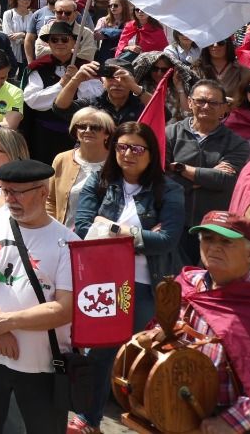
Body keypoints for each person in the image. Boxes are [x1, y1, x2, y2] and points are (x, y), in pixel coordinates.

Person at [71, 121, 185, 430]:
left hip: (147, 286)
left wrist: (111, 230)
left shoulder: (169, 189)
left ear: (151, 152)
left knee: (138, 356)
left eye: (137, 148)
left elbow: (168, 240)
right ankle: (89, 420)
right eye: (122, 147)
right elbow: (82, 227)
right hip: (103, 281)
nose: (128, 154)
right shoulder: (100, 181)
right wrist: (139, 237)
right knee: (100, 353)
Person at [0, 158, 77, 434]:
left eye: (18, 192)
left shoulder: (67, 243)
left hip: (41, 364)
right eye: (5, 191)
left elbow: (64, 309)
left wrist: (7, 322)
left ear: (43, 192)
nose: (10, 199)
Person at [152, 211, 250, 434]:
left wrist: (230, 422)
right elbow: (161, 329)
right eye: (208, 239)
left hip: (227, 422)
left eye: (226, 241)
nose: (215, 247)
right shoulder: (186, 285)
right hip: (173, 409)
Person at [169, 78, 250, 262]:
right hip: (173, 224)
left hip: (213, 230)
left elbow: (224, 180)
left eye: (214, 103)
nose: (206, 106)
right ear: (190, 102)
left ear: (224, 108)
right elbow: (162, 177)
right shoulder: (170, 134)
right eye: (200, 101)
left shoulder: (237, 143)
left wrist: (180, 169)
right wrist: (205, 178)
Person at [49, 105, 114, 226]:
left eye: (95, 127)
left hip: (101, 238)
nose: (88, 130)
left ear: (107, 134)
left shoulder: (116, 162)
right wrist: (51, 229)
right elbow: (50, 200)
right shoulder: (61, 159)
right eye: (82, 126)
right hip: (64, 237)